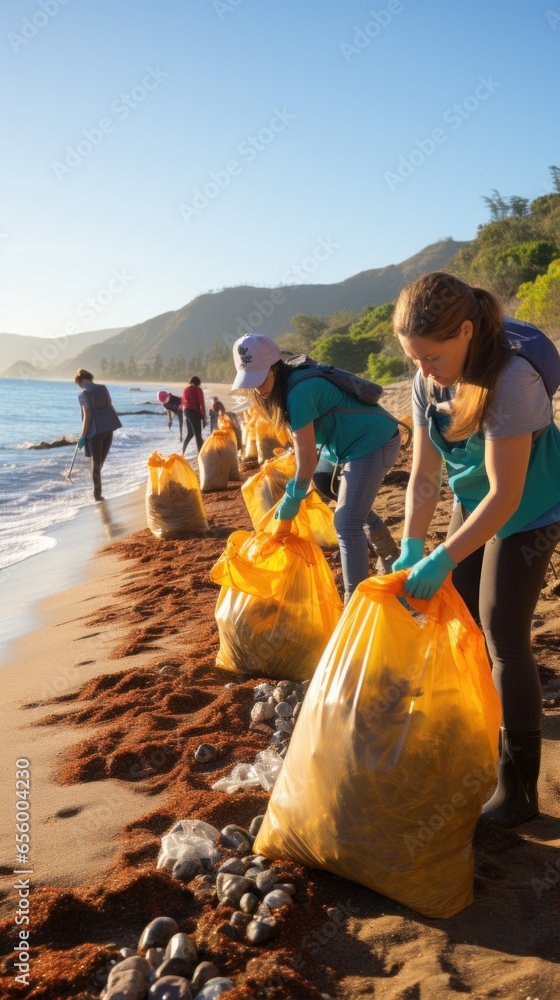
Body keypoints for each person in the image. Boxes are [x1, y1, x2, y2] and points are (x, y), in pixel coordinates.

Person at [391, 271, 560, 829]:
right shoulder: (427, 379)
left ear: (466, 331)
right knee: (460, 613)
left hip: (532, 506)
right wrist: (413, 543)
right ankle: (481, 740)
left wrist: (444, 557)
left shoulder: (510, 380)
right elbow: (423, 476)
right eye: (414, 358)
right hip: (476, 498)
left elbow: (507, 496)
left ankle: (520, 791)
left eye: (432, 357)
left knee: (502, 628)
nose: (424, 370)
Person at [231, 333, 401, 601]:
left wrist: (292, 498)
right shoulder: (284, 388)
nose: (257, 388)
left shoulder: (299, 392)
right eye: (250, 381)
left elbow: (307, 459)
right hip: (345, 446)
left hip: (374, 441)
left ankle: (354, 602)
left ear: (275, 368)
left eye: (261, 378)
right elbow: (306, 452)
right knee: (325, 481)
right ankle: (387, 548)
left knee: (345, 522)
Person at [74, 368, 122, 501]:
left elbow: (87, 414)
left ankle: (97, 496)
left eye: (78, 383)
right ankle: (97, 492)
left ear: (82, 380)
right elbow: (109, 404)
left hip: (96, 431)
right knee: (100, 464)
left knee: (95, 464)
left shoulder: (83, 394)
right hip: (109, 427)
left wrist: (83, 436)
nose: (79, 386)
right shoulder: (103, 388)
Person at [181, 376, 206, 455]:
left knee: (190, 434)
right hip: (194, 413)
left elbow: (183, 402)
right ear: (198, 383)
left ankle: (183, 452)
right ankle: (201, 455)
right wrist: (203, 416)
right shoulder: (198, 390)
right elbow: (201, 404)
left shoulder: (185, 389)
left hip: (186, 411)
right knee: (198, 436)